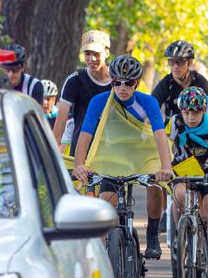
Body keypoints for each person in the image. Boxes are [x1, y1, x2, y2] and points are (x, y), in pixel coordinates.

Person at [145, 40, 208, 259]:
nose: (175, 66)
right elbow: (151, 107)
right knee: (167, 168)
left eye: (180, 62)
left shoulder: (201, 82)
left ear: (190, 63)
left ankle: (205, 235)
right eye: (172, 62)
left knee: (205, 200)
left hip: (200, 138)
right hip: (174, 133)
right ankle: (168, 213)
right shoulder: (166, 83)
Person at [72, 54, 174, 200]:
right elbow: (85, 136)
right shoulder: (99, 101)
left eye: (128, 83)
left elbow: (160, 135)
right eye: (117, 83)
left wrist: (165, 168)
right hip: (112, 156)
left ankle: (153, 224)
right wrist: (79, 165)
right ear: (111, 82)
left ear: (137, 83)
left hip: (143, 155)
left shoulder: (148, 102)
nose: (122, 88)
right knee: (107, 198)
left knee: (155, 187)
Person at [167, 87, 208, 278]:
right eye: (186, 112)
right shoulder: (175, 123)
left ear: (203, 111)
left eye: (195, 112)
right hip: (182, 170)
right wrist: (164, 167)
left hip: (206, 171)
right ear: (181, 111)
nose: (191, 117)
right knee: (179, 196)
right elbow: (166, 146)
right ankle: (180, 235)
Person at [55, 30, 113, 157]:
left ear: (106, 52)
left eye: (96, 54)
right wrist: (53, 151)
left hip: (110, 153)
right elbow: (61, 120)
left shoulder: (119, 82)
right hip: (80, 153)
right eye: (87, 53)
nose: (91, 59)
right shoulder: (74, 80)